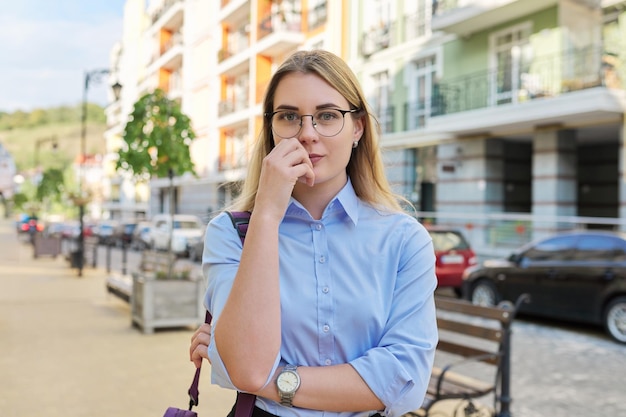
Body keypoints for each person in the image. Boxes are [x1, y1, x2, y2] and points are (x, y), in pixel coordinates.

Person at [190, 49, 438, 417]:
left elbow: (401, 377)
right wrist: (268, 215)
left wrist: (272, 381)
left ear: (357, 127)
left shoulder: (403, 239)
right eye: (289, 116)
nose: (308, 134)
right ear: (271, 129)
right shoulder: (231, 232)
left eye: (327, 116)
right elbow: (245, 365)